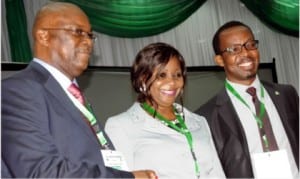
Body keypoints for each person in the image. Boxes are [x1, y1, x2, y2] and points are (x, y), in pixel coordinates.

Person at [1, 2, 157, 178]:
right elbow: (42, 173)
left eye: (90, 35)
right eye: (78, 32)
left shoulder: (71, 94)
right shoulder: (15, 92)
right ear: (43, 36)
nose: (88, 42)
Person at [104, 42, 225, 179]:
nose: (172, 82)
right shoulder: (120, 126)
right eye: (162, 75)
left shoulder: (199, 122)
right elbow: (117, 177)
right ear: (143, 79)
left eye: (177, 75)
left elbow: (217, 174)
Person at [195, 21, 299, 178]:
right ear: (220, 60)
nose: (245, 53)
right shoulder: (208, 116)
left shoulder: (286, 94)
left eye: (250, 45)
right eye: (234, 49)